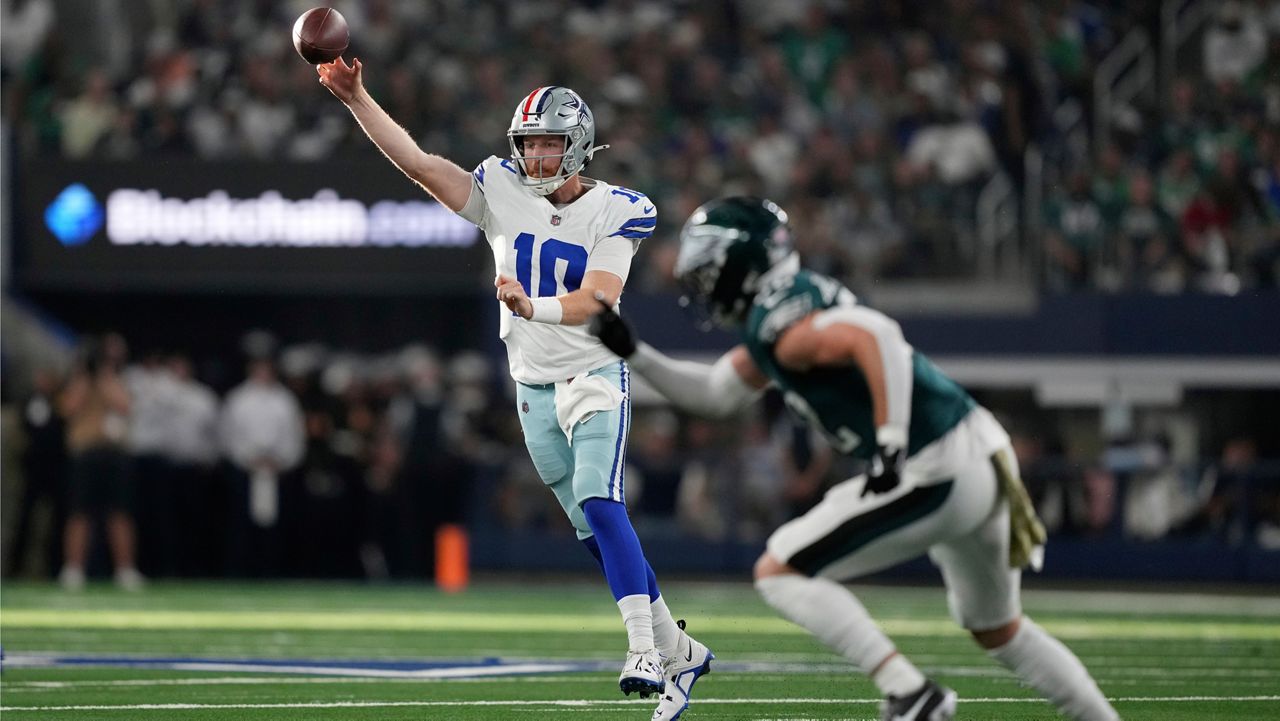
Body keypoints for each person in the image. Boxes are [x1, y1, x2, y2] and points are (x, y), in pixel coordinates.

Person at [589, 196, 1120, 721]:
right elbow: (716, 393)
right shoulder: (783, 312)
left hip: (936, 462)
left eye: (708, 272)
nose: (701, 287)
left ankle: (908, 691)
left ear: (742, 266)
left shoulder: (785, 324)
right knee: (999, 629)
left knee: (780, 570)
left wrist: (889, 439)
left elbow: (879, 336)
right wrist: (634, 351)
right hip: (980, 453)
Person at [317, 59, 712, 718]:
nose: (535, 155)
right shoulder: (499, 186)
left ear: (579, 142)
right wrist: (357, 97)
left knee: (599, 496)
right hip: (531, 384)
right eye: (527, 142)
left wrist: (533, 307)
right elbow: (418, 162)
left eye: (549, 142)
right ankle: (681, 649)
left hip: (592, 372)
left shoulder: (617, 209)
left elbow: (600, 299)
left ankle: (644, 648)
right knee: (593, 528)